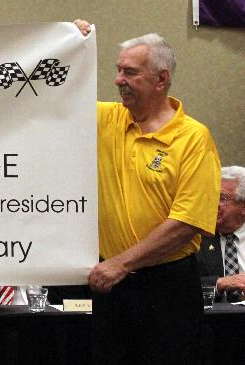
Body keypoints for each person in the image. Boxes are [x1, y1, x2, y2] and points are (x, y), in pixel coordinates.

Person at [74, 21, 221, 364]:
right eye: (118, 70)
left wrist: (121, 264)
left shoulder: (193, 138)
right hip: (111, 285)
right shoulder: (107, 119)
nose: (118, 80)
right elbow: (52, 94)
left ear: (161, 79)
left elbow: (187, 222)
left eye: (129, 72)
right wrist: (71, 44)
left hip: (166, 286)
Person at [197, 166, 245, 302]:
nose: (212, 204)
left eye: (222, 198)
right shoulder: (193, 238)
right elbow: (181, 289)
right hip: (212, 320)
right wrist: (218, 284)